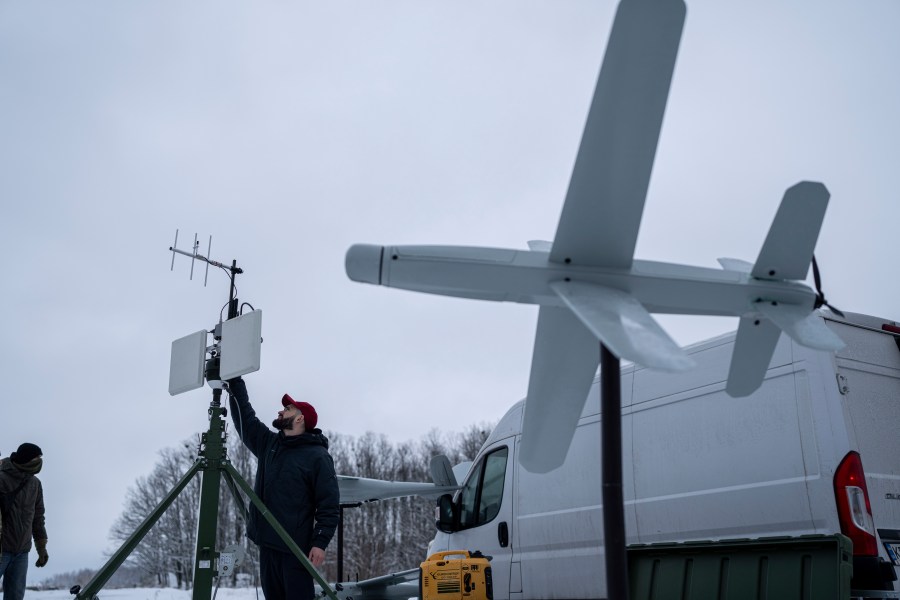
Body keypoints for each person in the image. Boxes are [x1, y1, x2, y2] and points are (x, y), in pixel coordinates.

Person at [227, 377, 340, 600]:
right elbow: (246, 421)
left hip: (295, 549)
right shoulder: (270, 444)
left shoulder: (318, 457)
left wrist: (320, 542)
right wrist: (235, 383)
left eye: (287, 409)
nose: (281, 412)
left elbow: (328, 505)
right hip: (267, 545)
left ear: (300, 418)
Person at [0, 443, 49, 600]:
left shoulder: (35, 484)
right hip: (2, 550)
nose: (39, 461)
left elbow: (38, 518)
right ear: (26, 459)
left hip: (21, 552)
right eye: (37, 458)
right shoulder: (2, 477)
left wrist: (41, 547)